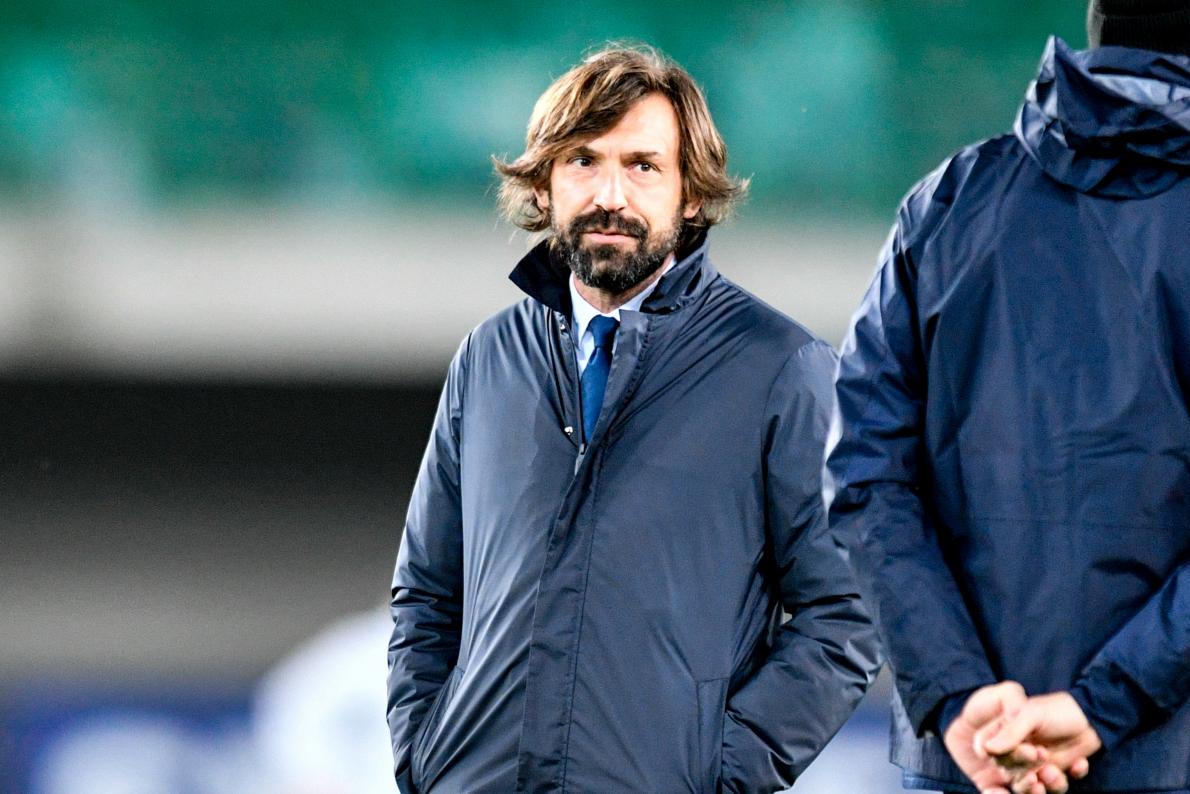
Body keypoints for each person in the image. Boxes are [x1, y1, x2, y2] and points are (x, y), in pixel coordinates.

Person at [387, 45, 880, 793]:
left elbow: (847, 611)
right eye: (583, 161)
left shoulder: (780, 368)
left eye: (643, 165)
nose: (609, 194)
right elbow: (426, 592)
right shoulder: (487, 359)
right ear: (545, 185)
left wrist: (719, 773)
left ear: (692, 195)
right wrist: (427, 758)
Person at [826, 1, 1190, 793]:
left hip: (972, 759)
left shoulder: (949, 200)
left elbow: (863, 475)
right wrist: (1102, 704)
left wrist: (959, 698)